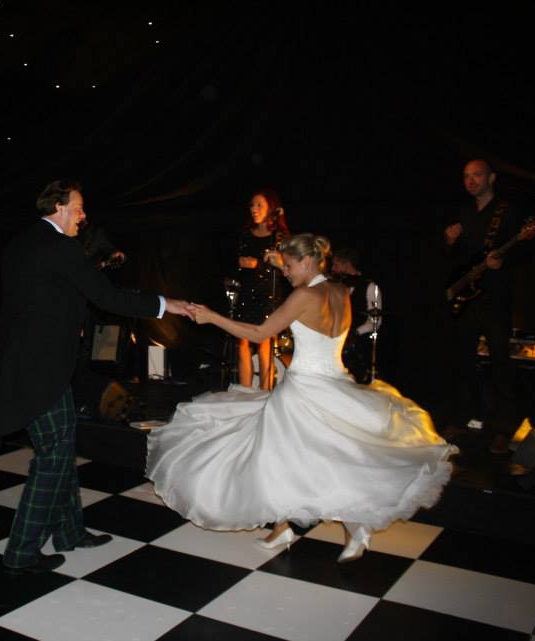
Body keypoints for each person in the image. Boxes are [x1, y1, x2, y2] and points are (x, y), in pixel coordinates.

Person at [147, 234, 455, 562]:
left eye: (290, 266)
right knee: (323, 459)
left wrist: (213, 317)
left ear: (307, 262)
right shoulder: (340, 291)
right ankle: (296, 528)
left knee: (277, 460)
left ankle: (334, 526)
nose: (286, 273)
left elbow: (259, 333)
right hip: (337, 385)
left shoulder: (304, 296)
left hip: (304, 390)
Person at [0, 179, 194, 575]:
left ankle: (70, 532)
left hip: (26, 364)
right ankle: (21, 551)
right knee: (52, 457)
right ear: (58, 207)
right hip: (39, 371)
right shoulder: (61, 246)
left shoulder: (21, 243)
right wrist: (167, 304)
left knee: (61, 445)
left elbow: (45, 298)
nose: (83, 215)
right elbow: (108, 297)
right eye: (78, 208)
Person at [443, 159, 534, 454]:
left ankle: (503, 429)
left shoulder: (508, 211)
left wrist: (504, 260)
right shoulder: (465, 213)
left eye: (477, 175)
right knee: (463, 360)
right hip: (467, 299)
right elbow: (458, 259)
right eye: (466, 176)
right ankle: (465, 419)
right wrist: (450, 242)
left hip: (495, 298)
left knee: (499, 362)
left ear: (491, 178)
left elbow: (526, 251)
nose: (471, 181)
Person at [231, 189, 290, 390]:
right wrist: (240, 264)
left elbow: (286, 269)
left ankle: (265, 392)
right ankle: (245, 391)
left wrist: (258, 265)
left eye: (259, 205)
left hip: (268, 294)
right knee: (242, 343)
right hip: (247, 292)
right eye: (252, 205)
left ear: (271, 208)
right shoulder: (245, 235)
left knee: (265, 343)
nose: (254, 209)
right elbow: (234, 264)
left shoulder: (279, 237)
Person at [331, 247, 382, 384]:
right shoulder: (338, 286)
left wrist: (355, 333)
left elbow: (375, 321)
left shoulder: (370, 287)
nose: (333, 269)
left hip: (359, 346)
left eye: (336, 265)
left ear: (346, 264)